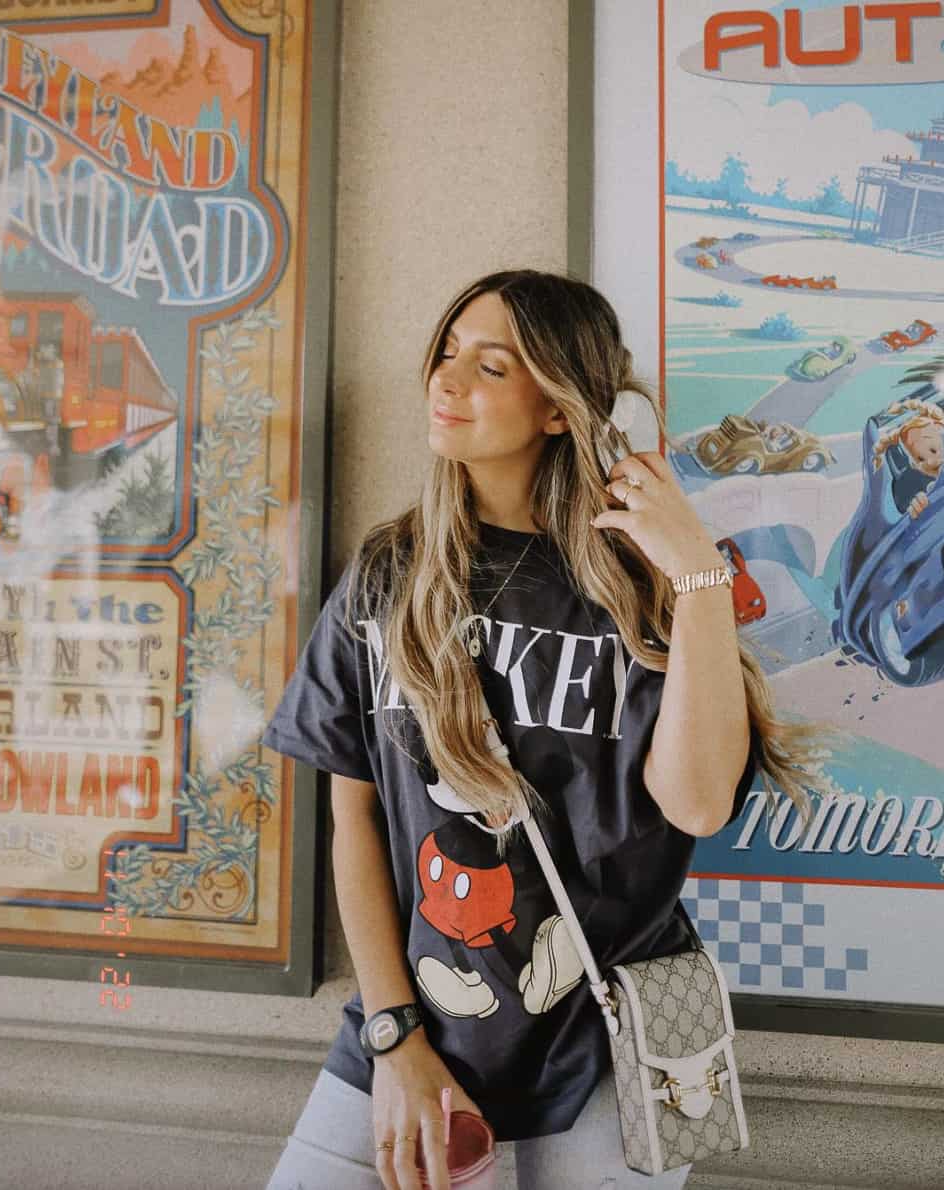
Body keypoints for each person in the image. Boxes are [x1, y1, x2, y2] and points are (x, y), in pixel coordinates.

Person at [262, 270, 819, 1190]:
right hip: (418, 1025)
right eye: (445, 355)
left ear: (559, 407)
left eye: (489, 367)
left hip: (614, 1038)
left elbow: (699, 801)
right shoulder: (388, 572)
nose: (446, 383)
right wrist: (393, 1035)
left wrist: (697, 578)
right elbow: (352, 820)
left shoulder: (633, 587)